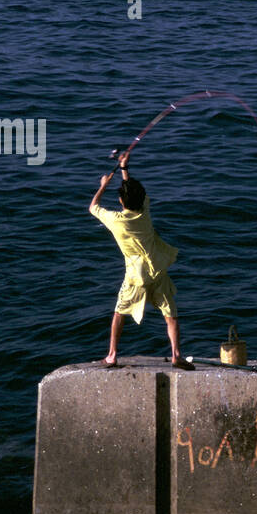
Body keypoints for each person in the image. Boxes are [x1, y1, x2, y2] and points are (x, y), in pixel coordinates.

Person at [89, 150, 193, 369]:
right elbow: (134, 193)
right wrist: (124, 169)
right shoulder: (144, 210)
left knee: (119, 312)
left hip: (136, 275)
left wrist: (103, 185)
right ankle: (176, 355)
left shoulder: (116, 220)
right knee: (170, 314)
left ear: (120, 201)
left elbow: (93, 207)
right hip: (158, 268)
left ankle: (111, 355)